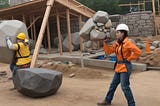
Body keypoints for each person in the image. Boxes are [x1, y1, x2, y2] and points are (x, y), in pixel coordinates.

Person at [97, 24, 142, 106]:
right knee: (113, 85)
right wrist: (104, 44)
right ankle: (107, 100)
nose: (116, 34)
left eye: (118, 32)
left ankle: (131, 104)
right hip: (118, 67)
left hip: (125, 67)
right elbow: (109, 51)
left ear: (123, 33)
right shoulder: (117, 43)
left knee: (125, 87)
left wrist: (129, 59)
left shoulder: (128, 43)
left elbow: (138, 52)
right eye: (116, 32)